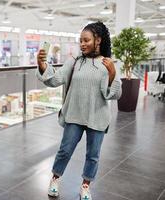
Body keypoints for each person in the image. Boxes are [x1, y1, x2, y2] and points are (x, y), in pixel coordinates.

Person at [36, 21, 122, 200]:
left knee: (93, 156)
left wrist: (112, 73)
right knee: (65, 150)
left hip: (97, 117)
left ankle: (85, 186)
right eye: (80, 41)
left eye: (86, 40)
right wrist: (42, 64)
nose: (82, 44)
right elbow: (55, 79)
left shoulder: (109, 64)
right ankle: (55, 179)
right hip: (74, 115)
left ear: (98, 40)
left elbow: (115, 94)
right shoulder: (74, 62)